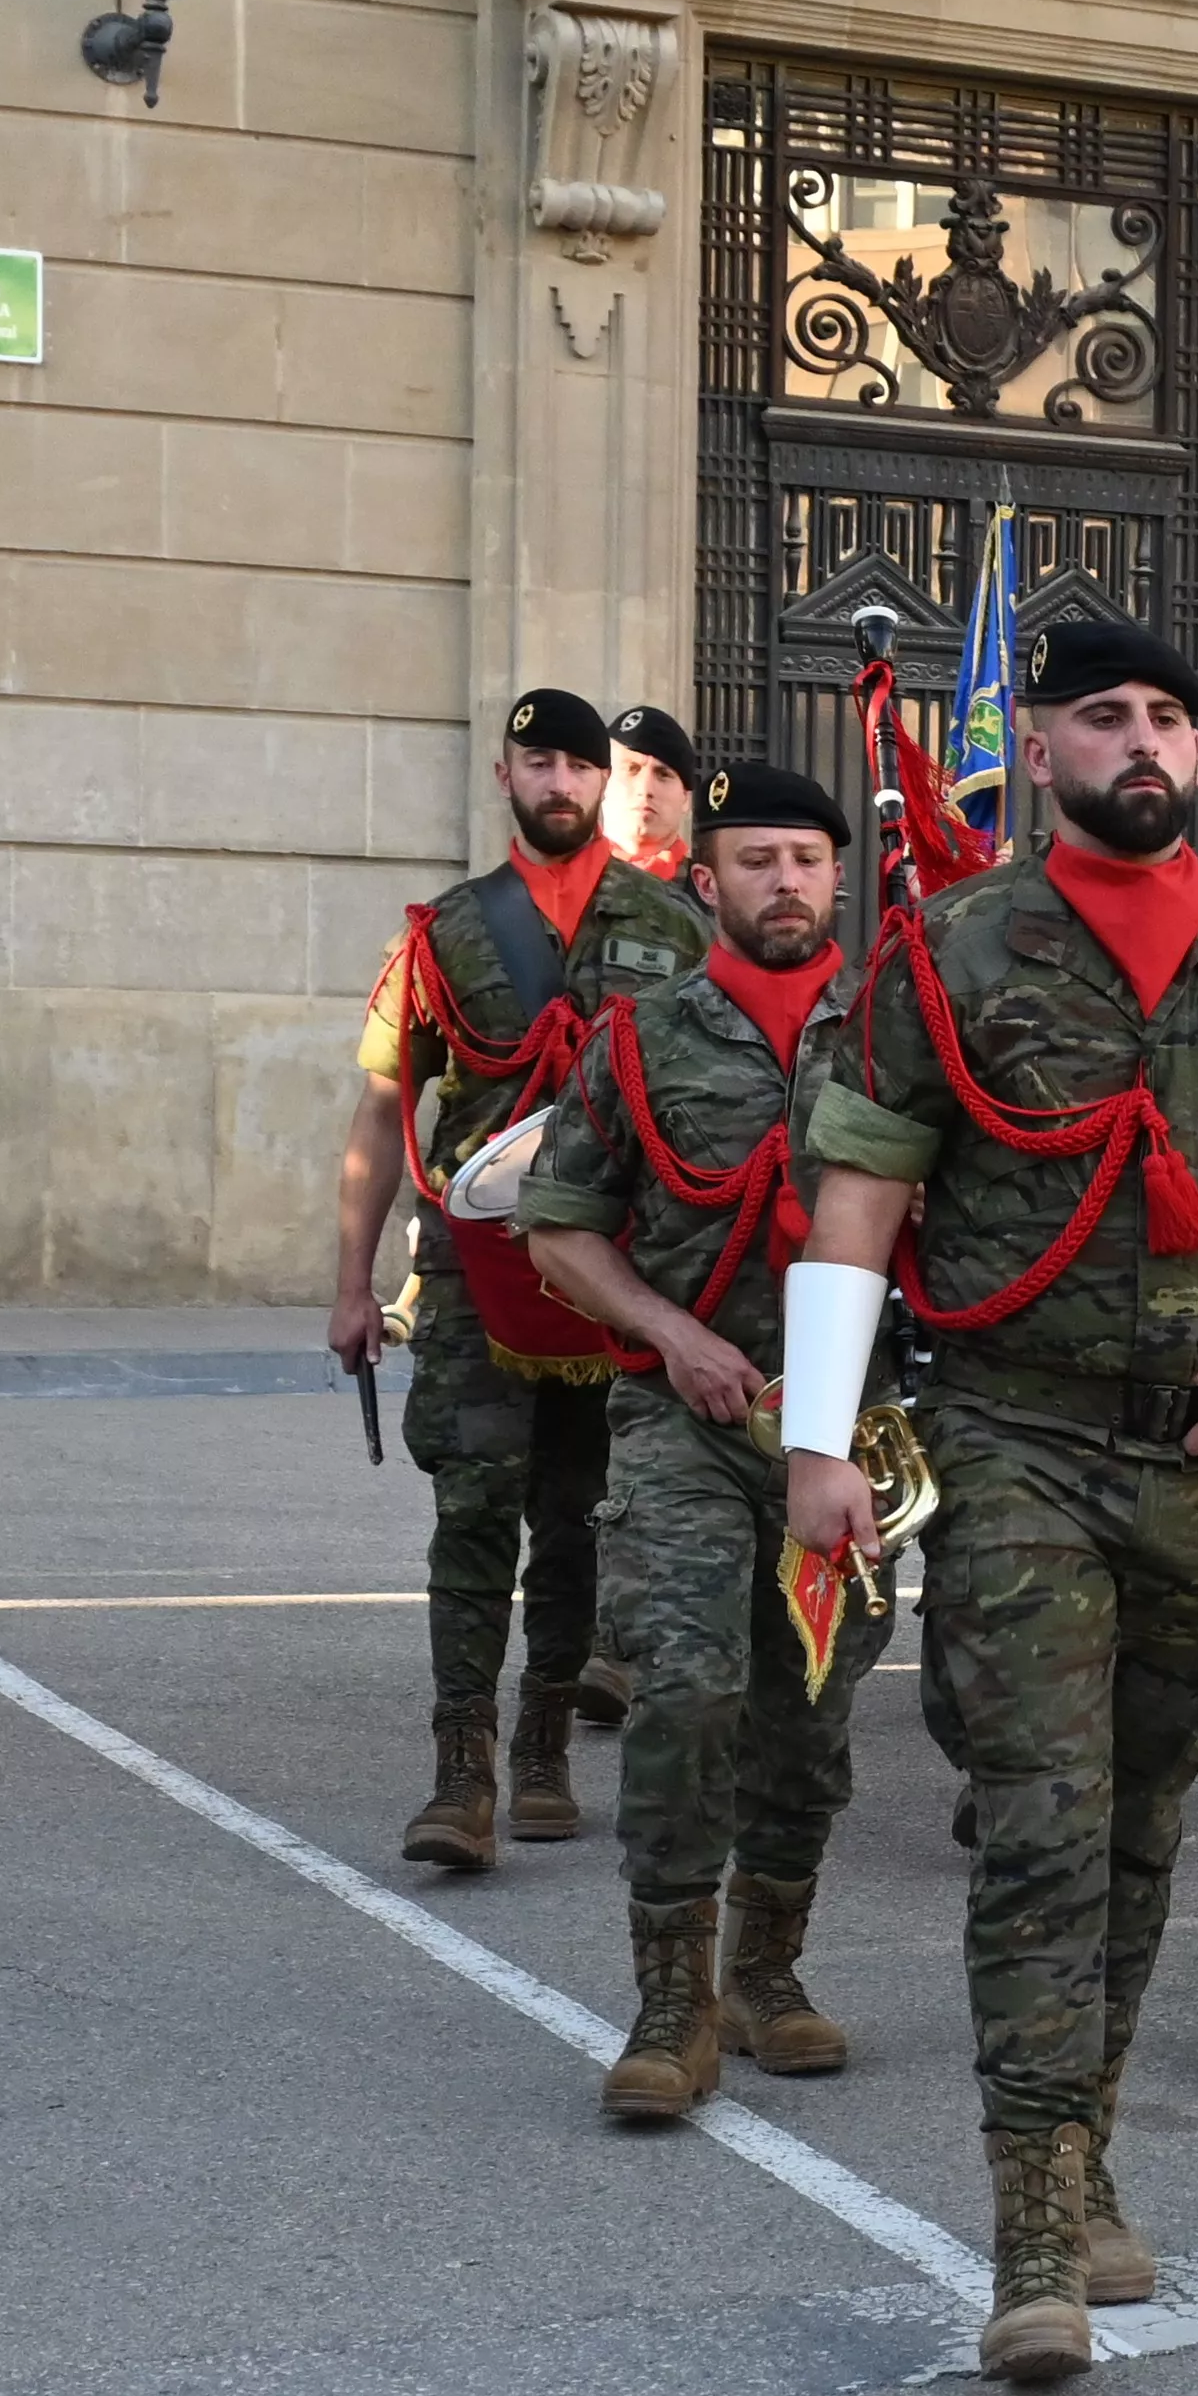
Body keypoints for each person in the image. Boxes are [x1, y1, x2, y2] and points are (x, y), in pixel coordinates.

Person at [782, 615, 1198, 2380]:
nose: (1136, 739)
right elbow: (856, 1192)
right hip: (1016, 1437)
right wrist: (819, 1441)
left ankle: (1088, 2137)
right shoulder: (952, 945)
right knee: (1048, 1819)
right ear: (1040, 741)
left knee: (1151, 1811)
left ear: (1197, 752)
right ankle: (1033, 2234)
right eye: (1099, 715)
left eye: (1164, 714)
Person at [519, 758, 876, 2119]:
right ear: (708, 877)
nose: (783, 882)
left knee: (811, 1715)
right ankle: (672, 2000)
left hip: (854, 1427)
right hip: (689, 1415)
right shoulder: (640, 1035)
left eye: (805, 859)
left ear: (838, 875)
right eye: (754, 860)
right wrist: (669, 1331)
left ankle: (768, 1972)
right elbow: (558, 1225)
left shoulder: (908, 1033)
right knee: (683, 1684)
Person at [332, 688, 708, 1867]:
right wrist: (352, 1284)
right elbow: (385, 1105)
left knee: (580, 1508)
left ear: (606, 784)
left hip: (609, 1261)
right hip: (474, 1262)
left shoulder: (673, 927)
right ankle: (463, 1772)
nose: (558, 783)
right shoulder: (442, 931)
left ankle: (545, 1745)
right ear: (505, 776)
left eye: (577, 767)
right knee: (473, 1510)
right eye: (536, 762)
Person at [604, 704, 700, 884]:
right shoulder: (562, 882)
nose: (645, 789)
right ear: (602, 783)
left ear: (686, 798)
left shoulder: (712, 895)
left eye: (663, 775)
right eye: (631, 769)